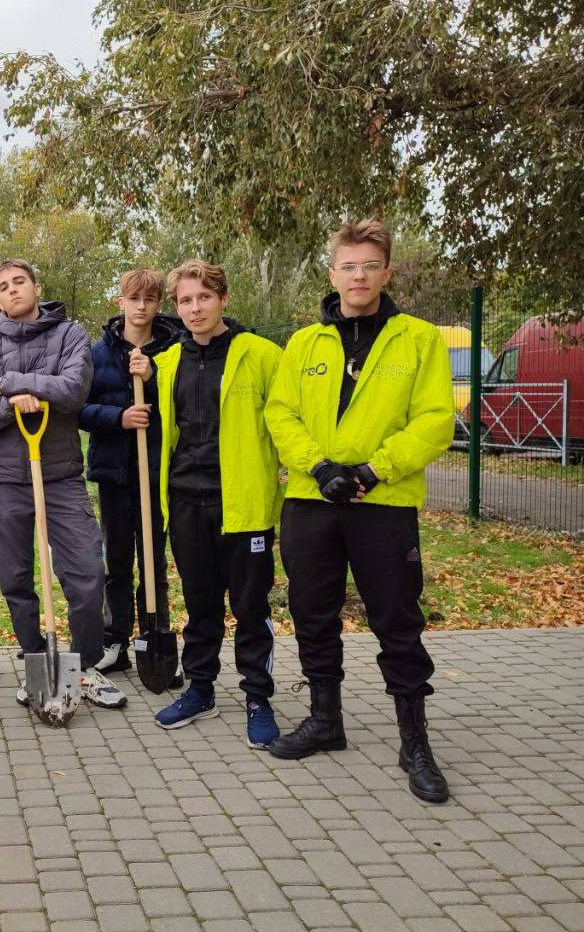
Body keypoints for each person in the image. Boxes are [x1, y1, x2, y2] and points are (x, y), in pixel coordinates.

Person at [264, 219, 454, 803]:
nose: (359, 275)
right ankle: (326, 720)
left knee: (396, 618)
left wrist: (374, 470)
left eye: (370, 265)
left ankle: (414, 740)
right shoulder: (304, 342)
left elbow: (435, 420)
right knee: (311, 611)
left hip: (384, 501)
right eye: (349, 265)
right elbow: (280, 413)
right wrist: (320, 469)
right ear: (333, 273)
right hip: (311, 499)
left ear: (387, 272)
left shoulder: (418, 339)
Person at [0, 259, 126, 709]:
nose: (13, 291)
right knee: (14, 579)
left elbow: (73, 390)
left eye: (20, 282)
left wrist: (8, 383)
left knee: (88, 575)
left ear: (36, 287)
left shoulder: (69, 335)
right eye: (3, 286)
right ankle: (36, 666)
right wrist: (8, 408)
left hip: (60, 476)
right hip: (4, 481)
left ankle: (85, 667)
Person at [144, 261, 285, 749]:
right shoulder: (167, 363)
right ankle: (200, 688)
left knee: (249, 606)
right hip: (186, 500)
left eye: (203, 297)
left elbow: (287, 424)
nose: (195, 308)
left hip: (243, 505)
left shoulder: (262, 355)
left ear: (223, 298)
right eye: (185, 300)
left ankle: (257, 699)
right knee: (200, 604)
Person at [80, 268, 184, 674]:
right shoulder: (97, 353)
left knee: (155, 559)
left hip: (158, 471)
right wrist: (118, 417)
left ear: (159, 305)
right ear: (120, 301)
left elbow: (186, 400)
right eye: (134, 298)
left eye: (150, 300)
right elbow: (78, 409)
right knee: (118, 560)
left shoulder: (175, 349)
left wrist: (153, 379)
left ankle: (155, 635)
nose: (141, 307)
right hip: (115, 472)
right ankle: (115, 639)